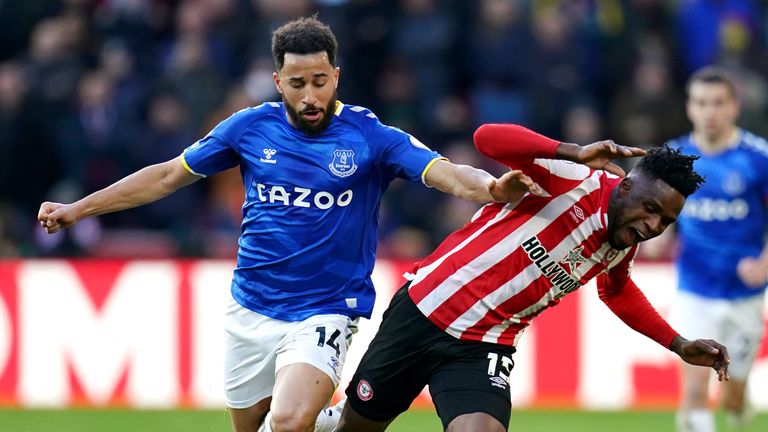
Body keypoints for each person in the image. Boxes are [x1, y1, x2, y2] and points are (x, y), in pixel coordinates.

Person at [36, 16, 526, 432]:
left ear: (336, 75)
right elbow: (166, 176)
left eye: (320, 81)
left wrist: (489, 186)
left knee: (290, 421)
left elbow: (443, 171)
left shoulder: (369, 134)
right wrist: (78, 208)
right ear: (278, 82)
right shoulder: (248, 128)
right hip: (252, 307)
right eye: (297, 84)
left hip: (327, 309)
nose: (310, 96)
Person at [335, 123, 731, 432]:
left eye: (665, 220)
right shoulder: (572, 178)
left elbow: (618, 292)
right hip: (425, 312)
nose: (652, 224)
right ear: (625, 187)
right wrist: (572, 151)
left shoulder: (622, 243)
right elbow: (486, 138)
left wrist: (677, 344)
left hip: (486, 345)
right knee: (356, 426)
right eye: (650, 208)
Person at [666, 67, 768, 432]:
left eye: (718, 103)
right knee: (695, 392)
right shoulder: (674, 158)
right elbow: (657, 210)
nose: (710, 111)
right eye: (701, 103)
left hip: (745, 294)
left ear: (734, 107)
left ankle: (739, 406)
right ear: (690, 108)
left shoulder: (758, 158)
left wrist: (765, 263)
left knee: (732, 395)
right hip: (695, 287)